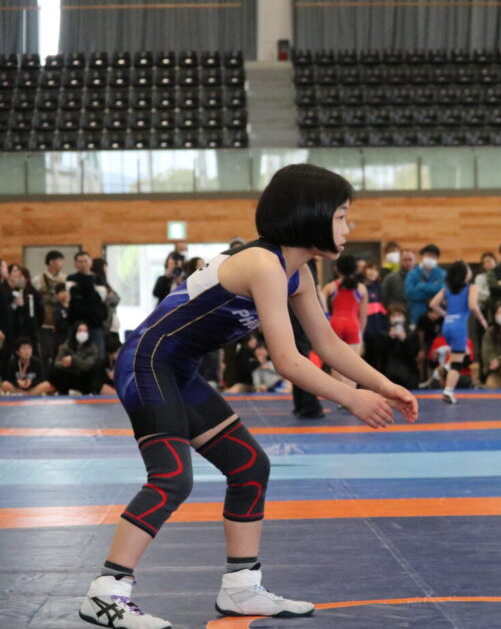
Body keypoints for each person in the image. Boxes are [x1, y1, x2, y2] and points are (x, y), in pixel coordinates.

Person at [77, 164, 418, 628]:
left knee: (249, 466)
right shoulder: (262, 264)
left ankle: (241, 587)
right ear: (309, 215)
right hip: (146, 363)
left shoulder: (299, 273)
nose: (348, 227)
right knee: (172, 477)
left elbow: (328, 344)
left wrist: (383, 385)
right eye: (341, 216)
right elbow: (287, 360)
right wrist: (350, 397)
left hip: (177, 369)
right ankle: (106, 592)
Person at [428, 260, 487, 404]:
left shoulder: (446, 289)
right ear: (465, 274)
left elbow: (433, 304)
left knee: (458, 354)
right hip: (459, 327)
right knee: (457, 364)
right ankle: (448, 391)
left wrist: (445, 314)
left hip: (447, 325)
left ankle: (444, 369)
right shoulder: (471, 288)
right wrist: (482, 320)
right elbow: (473, 306)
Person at [322, 255, 368, 360]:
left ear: (337, 269)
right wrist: (360, 334)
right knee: (353, 364)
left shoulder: (330, 286)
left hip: (335, 324)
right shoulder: (361, 288)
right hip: (353, 325)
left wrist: (326, 315)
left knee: (336, 365)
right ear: (355, 270)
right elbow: (363, 315)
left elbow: (319, 298)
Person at [67, 251, 108, 361]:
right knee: (75, 353)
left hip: (95, 323)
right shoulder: (71, 278)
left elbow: (102, 297)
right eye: (80, 262)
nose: (83, 264)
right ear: (75, 264)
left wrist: (83, 290)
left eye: (85, 261)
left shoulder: (98, 278)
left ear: (90, 263)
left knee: (99, 355)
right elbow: (71, 295)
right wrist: (91, 290)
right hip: (76, 322)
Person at [32, 250, 66, 365]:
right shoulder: (38, 280)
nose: (62, 263)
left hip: (61, 323)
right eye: (59, 261)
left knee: (61, 353)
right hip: (44, 322)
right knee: (45, 353)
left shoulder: (65, 279)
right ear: (51, 262)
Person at [50, 321, 100, 395]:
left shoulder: (93, 347)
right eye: (80, 330)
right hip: (69, 376)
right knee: (54, 371)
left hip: (83, 378)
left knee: (93, 371)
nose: (83, 333)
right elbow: (57, 363)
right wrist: (64, 364)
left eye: (85, 331)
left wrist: (73, 360)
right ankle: (63, 393)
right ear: (75, 332)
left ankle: (88, 394)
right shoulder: (67, 344)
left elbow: (88, 365)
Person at [380, 304, 421, 388]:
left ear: (404, 317)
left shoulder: (411, 333)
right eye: (393, 315)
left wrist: (404, 340)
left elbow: (414, 353)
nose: (396, 318)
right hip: (389, 372)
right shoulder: (383, 333)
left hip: (408, 373)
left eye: (399, 315)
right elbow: (380, 354)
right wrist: (390, 338)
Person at [405, 244, 445, 326]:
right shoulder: (412, 273)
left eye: (433, 256)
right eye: (428, 255)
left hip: (437, 318)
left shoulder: (442, 274)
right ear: (422, 256)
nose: (430, 258)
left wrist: (421, 286)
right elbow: (410, 293)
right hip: (417, 316)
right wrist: (432, 293)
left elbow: (442, 290)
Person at [361, 262, 389, 373]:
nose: (372, 272)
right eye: (370, 269)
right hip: (365, 329)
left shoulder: (381, 288)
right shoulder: (361, 287)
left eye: (375, 270)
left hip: (379, 329)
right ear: (365, 271)